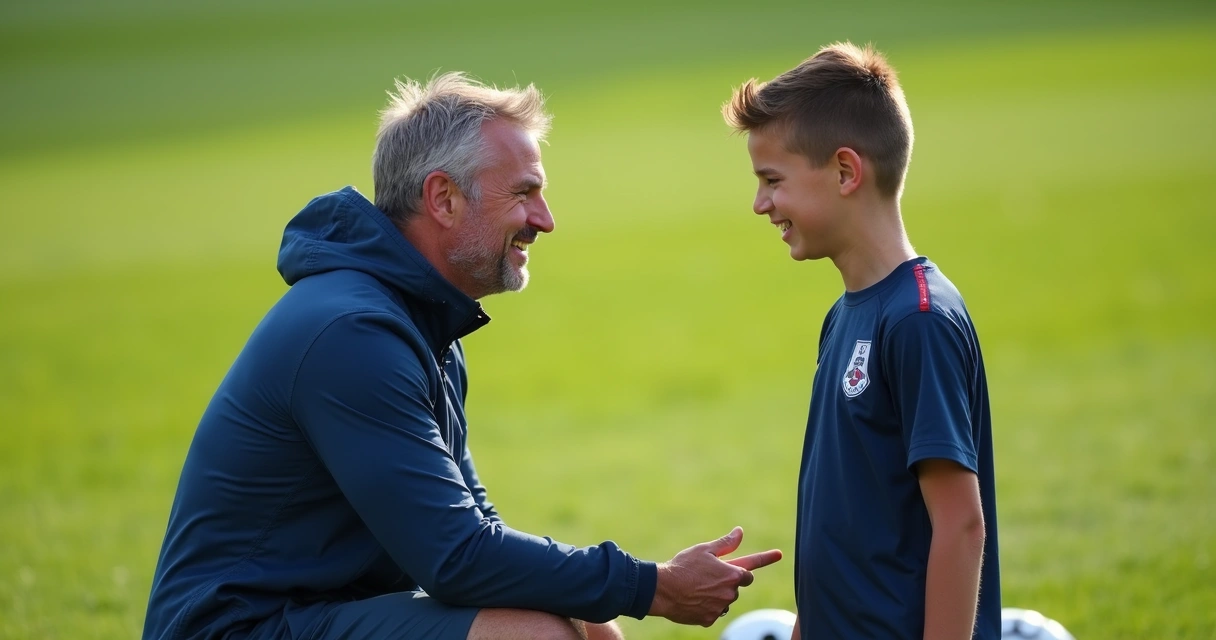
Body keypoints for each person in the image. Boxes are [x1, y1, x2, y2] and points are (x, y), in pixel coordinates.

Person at [142, 72, 781, 640]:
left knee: (582, 621)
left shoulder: (414, 321)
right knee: (534, 636)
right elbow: (455, 557)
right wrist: (653, 586)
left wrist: (603, 604)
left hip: (310, 614)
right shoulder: (353, 334)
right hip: (237, 628)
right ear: (443, 198)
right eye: (524, 192)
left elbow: (476, 531)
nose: (546, 219)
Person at [722, 43, 1001, 639]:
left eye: (773, 180)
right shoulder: (844, 317)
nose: (759, 203)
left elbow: (960, 526)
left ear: (846, 171)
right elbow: (847, 515)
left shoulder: (917, 320)